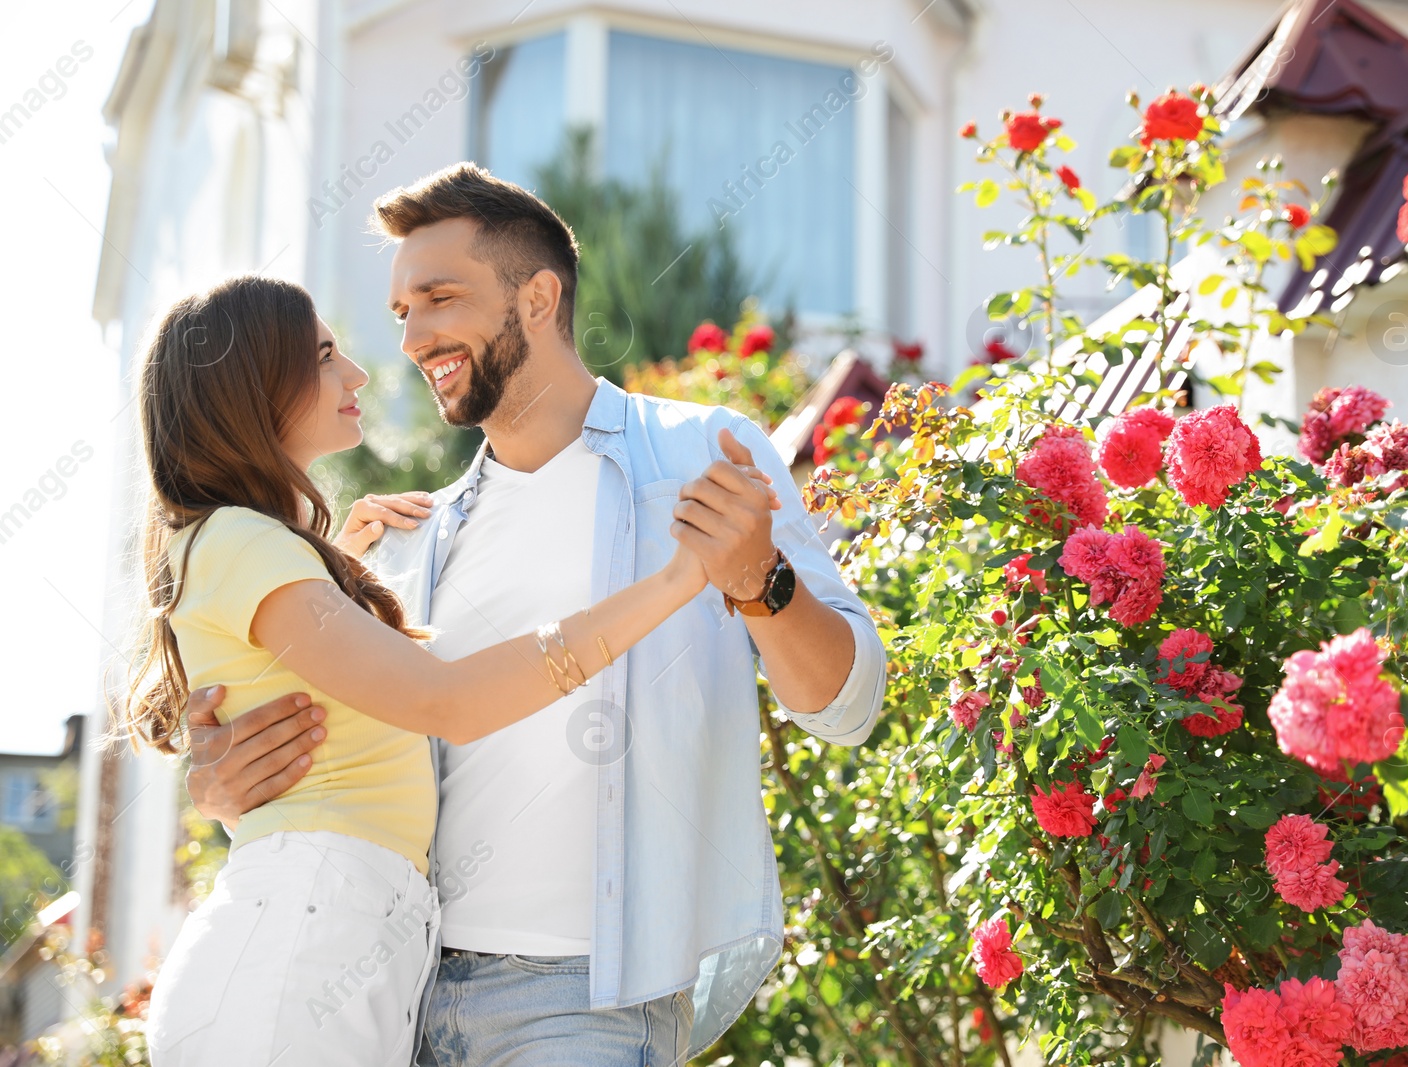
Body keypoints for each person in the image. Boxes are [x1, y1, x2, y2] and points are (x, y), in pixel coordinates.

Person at [183, 163, 887, 1066]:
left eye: (439, 297)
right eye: (402, 312)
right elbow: (353, 760)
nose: (414, 336)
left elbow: (846, 704)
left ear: (539, 297)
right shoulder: (412, 539)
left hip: (581, 1001)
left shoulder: (701, 453)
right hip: (394, 996)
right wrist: (226, 786)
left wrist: (762, 583)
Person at [130, 275, 774, 1066]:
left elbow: (306, 697)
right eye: (326, 355)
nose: (359, 374)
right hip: (298, 964)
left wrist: (343, 572)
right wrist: (675, 583)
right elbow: (449, 700)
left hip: (331, 954)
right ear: (254, 387)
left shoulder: (250, 549)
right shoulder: (238, 542)